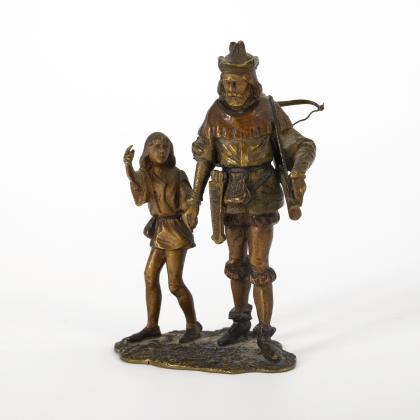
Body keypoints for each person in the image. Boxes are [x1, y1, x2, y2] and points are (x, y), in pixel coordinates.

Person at [183, 41, 316, 360]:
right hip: (228, 197)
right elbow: (204, 158)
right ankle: (241, 321)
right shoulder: (215, 113)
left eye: (237, 82)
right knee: (235, 264)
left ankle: (264, 333)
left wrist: (299, 171)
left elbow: (302, 145)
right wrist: (194, 201)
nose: (231, 88)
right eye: (227, 81)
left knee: (258, 266)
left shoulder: (269, 110)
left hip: (262, 196)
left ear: (251, 81)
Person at [123, 132, 202, 344]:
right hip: (159, 230)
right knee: (150, 276)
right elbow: (138, 187)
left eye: (165, 147)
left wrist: (191, 207)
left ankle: (193, 325)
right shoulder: (146, 175)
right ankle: (152, 326)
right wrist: (128, 167)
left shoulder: (177, 175)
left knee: (174, 284)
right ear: (147, 151)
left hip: (175, 231)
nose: (161, 151)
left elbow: (189, 202)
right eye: (156, 146)